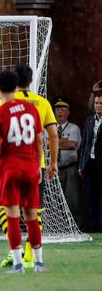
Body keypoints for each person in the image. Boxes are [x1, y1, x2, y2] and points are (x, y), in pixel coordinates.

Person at [0, 70, 50, 273]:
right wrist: (38, 164)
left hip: (10, 170)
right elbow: (40, 140)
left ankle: (17, 264)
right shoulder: (32, 109)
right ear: (16, 88)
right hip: (31, 168)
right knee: (31, 216)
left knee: (12, 215)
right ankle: (38, 263)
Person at [53, 97, 84, 228]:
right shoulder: (49, 128)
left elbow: (72, 145)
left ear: (68, 112)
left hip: (70, 168)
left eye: (63, 109)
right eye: (57, 109)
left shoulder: (74, 128)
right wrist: (62, 141)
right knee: (54, 200)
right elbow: (42, 143)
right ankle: (57, 226)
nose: (59, 111)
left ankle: (75, 226)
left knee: (72, 199)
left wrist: (53, 142)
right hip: (54, 169)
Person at [79, 93, 102, 232]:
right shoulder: (89, 120)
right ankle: (92, 225)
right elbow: (85, 144)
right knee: (89, 196)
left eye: (100, 103)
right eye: (96, 103)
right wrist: (81, 165)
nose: (98, 106)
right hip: (89, 164)